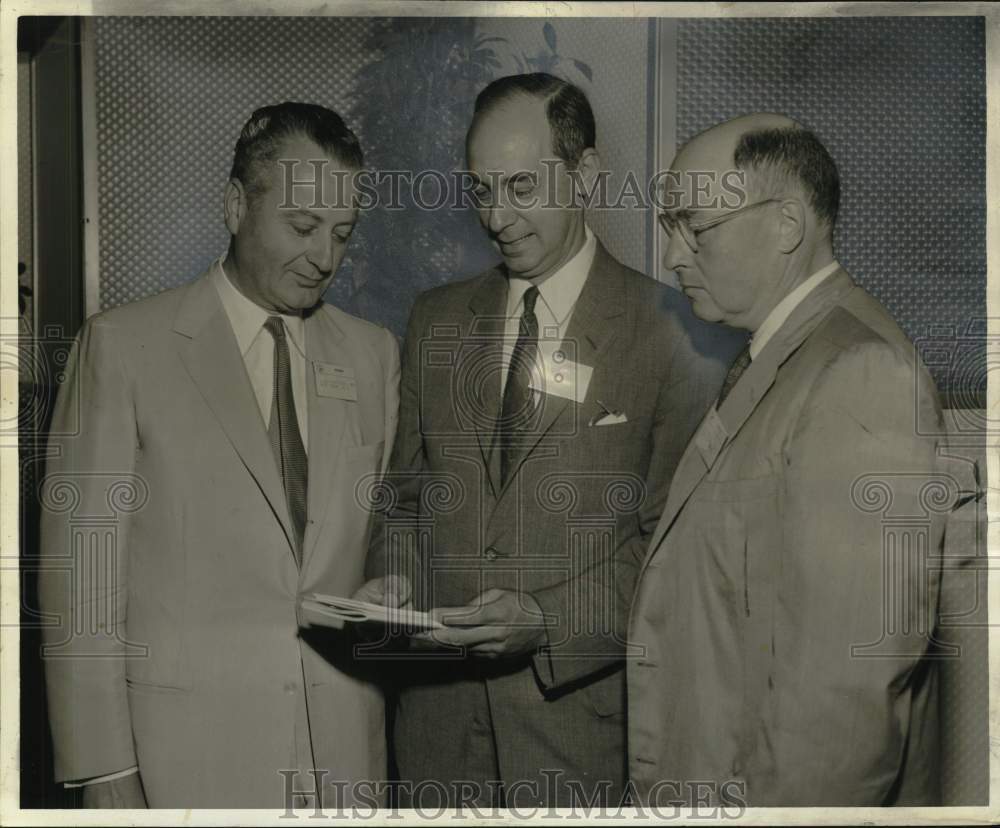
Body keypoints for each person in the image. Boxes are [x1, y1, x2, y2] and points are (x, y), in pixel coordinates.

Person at [358, 73, 739, 808]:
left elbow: (678, 563)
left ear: (585, 174)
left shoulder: (676, 336)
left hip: (580, 745)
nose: (496, 217)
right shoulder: (435, 320)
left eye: (522, 187)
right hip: (437, 740)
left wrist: (546, 620)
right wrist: (393, 580)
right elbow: (404, 500)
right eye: (481, 190)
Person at [38, 102, 399, 808]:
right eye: (302, 227)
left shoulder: (373, 354)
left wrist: (393, 579)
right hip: (184, 760)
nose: (325, 258)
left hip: (344, 759)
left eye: (342, 233)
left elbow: (381, 529)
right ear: (236, 206)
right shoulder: (123, 348)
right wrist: (104, 771)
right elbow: (81, 581)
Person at [628, 113, 945, 806]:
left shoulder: (861, 374)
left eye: (695, 227)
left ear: (786, 225)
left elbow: (837, 722)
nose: (673, 255)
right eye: (669, 226)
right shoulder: (784, 355)